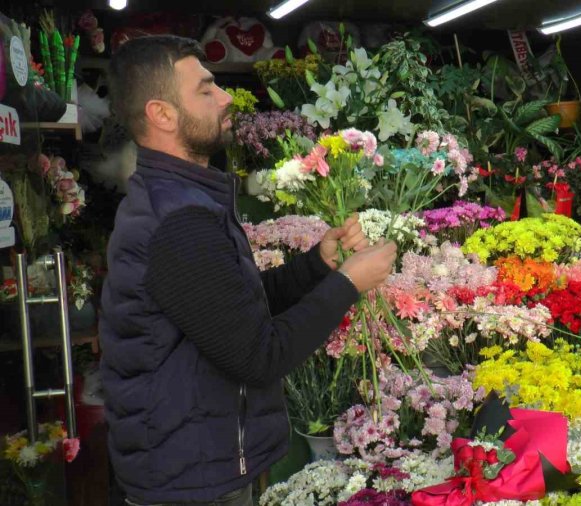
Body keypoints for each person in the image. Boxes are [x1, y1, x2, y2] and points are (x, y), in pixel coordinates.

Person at [100, 35, 397, 505]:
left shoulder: (178, 199)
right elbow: (261, 355)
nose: (225, 99)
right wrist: (349, 284)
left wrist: (318, 266)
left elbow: (232, 310)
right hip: (193, 484)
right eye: (205, 90)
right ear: (162, 114)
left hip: (194, 465)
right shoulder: (180, 221)